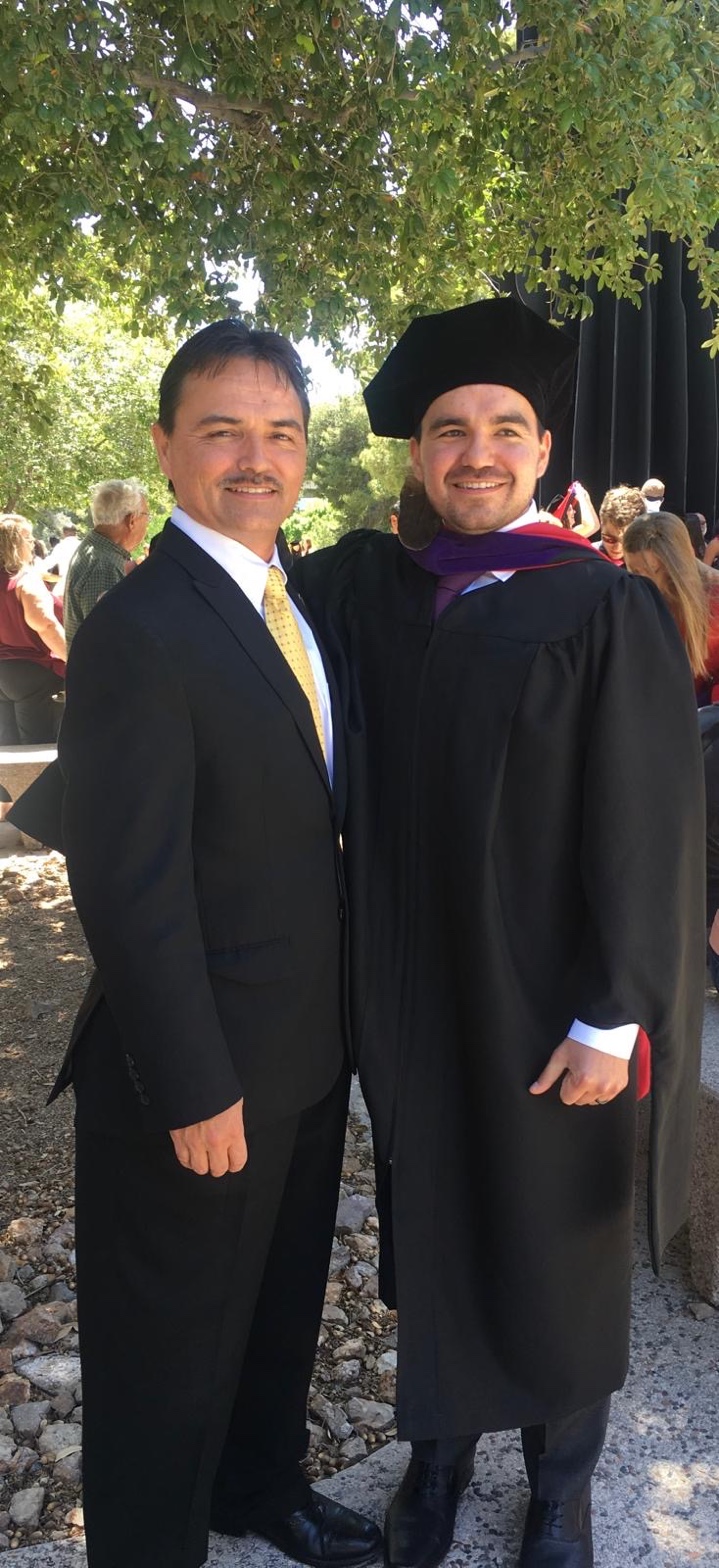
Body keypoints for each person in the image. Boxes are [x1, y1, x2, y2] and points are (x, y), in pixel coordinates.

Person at [295, 298, 704, 1568]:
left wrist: (610, 1013)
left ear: (541, 451)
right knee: (434, 1224)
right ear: (417, 454)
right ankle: (438, 1462)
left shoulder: (600, 605)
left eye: (502, 428)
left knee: (556, 1237)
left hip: (548, 999)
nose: (475, 450)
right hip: (413, 993)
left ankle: (561, 1487)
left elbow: (647, 826)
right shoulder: (374, 589)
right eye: (447, 429)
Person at [47, 321, 381, 1568]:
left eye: (279, 432)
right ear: (166, 448)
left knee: (279, 1307)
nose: (256, 456)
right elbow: (126, 884)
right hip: (192, 1079)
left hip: (302, 1054)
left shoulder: (294, 601)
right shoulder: (142, 626)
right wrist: (194, 1084)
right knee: (164, 1347)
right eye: (222, 431)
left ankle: (259, 1486)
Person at [623, 509, 719, 704]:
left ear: (675, 565)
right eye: (634, 571)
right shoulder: (630, 596)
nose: (642, 580)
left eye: (653, 570)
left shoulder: (714, 598)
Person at [0, 512, 66, 743]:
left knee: (7, 751)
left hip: (3, 672)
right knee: (36, 750)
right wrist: (73, 657)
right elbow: (45, 624)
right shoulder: (24, 580)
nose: (32, 544)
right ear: (15, 543)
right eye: (28, 539)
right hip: (32, 672)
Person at [63, 479, 150, 645]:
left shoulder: (96, 552)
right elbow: (110, 640)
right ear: (132, 520)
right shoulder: (104, 565)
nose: (147, 523)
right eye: (147, 516)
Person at [597, 485, 644, 563]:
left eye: (625, 540)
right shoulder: (587, 558)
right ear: (601, 524)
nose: (617, 548)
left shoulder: (648, 566)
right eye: (610, 539)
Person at [43, 520, 80, 585]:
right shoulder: (83, 546)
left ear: (63, 533)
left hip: (65, 585)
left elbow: (48, 564)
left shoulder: (60, 547)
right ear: (75, 533)